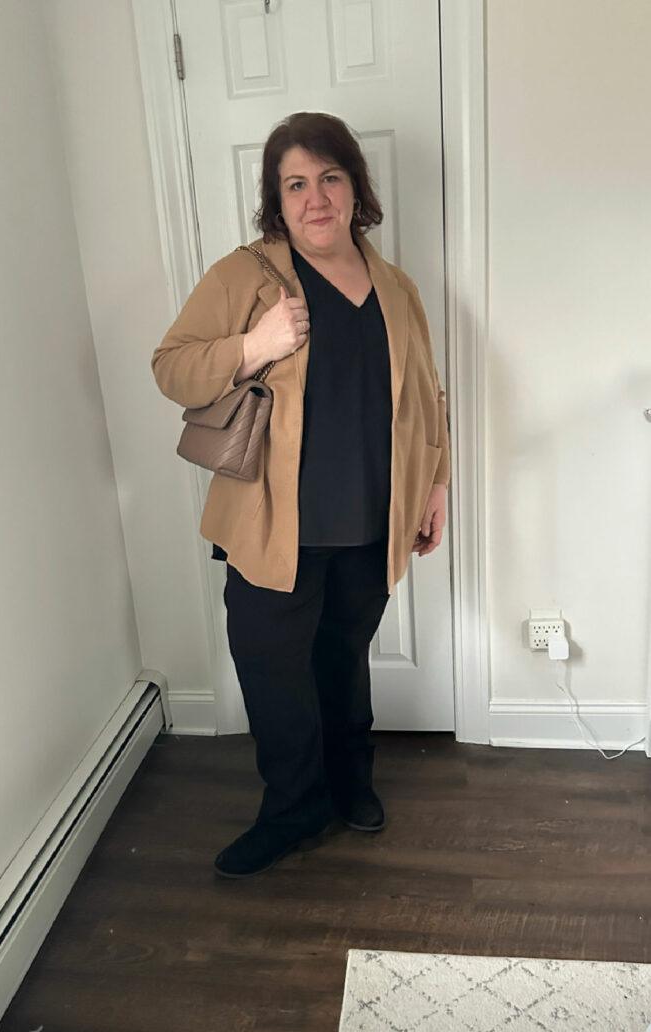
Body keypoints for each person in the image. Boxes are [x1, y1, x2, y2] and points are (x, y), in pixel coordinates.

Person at [152, 112, 450, 879]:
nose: (315, 198)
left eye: (329, 178)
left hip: (369, 520)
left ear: (355, 188)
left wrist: (436, 483)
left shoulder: (397, 287)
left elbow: (425, 395)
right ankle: (293, 810)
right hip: (269, 523)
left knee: (343, 658)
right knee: (273, 671)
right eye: (295, 184)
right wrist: (255, 345)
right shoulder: (244, 276)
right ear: (276, 203)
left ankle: (352, 786)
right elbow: (172, 368)